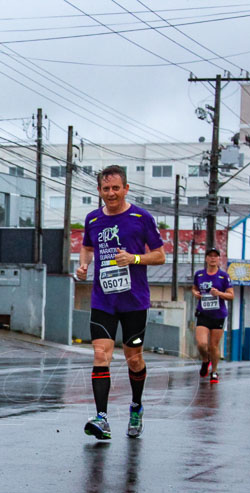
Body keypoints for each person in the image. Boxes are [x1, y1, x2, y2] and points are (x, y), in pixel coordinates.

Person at [76, 165, 165, 439]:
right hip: (103, 299)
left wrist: (134, 258)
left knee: (133, 360)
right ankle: (102, 417)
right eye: (106, 189)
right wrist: (82, 266)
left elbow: (160, 255)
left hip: (134, 301)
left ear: (126, 188)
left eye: (116, 188)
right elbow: (87, 246)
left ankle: (136, 407)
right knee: (101, 354)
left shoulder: (141, 217)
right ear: (99, 191)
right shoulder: (92, 219)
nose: (111, 193)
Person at [191, 248, 233, 384]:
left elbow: (231, 295)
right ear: (206, 259)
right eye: (210, 256)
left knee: (214, 346)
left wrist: (219, 294)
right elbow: (194, 288)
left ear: (219, 259)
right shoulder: (199, 275)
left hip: (218, 315)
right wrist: (195, 293)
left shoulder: (224, 276)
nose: (213, 258)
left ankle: (214, 371)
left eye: (215, 256)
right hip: (203, 313)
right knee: (202, 344)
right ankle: (205, 360)